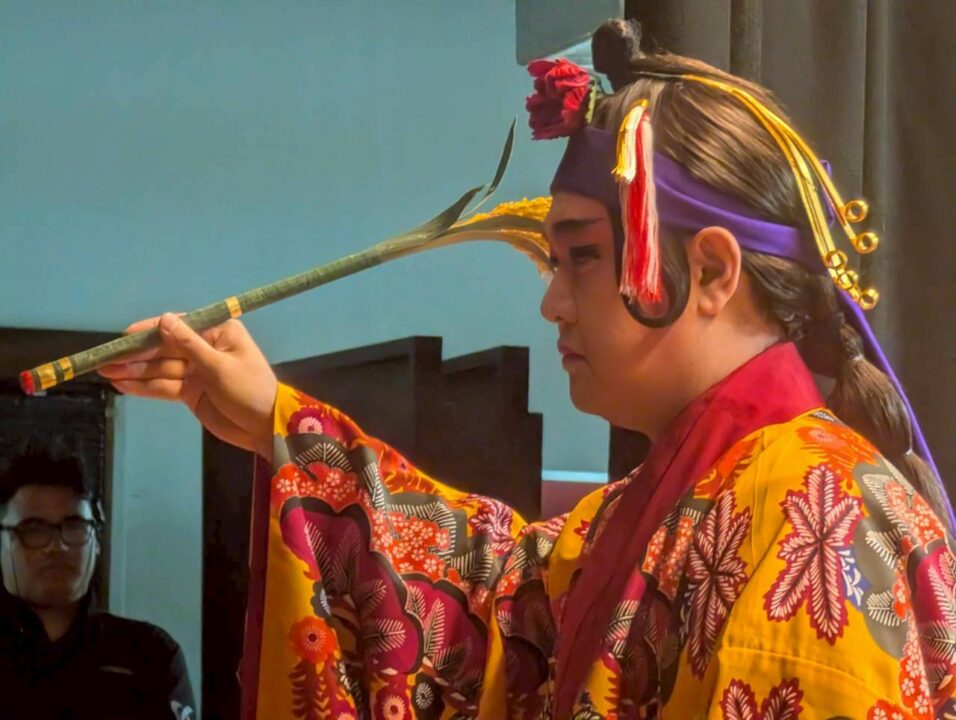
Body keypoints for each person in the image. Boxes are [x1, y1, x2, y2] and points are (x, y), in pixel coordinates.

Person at [101, 19, 956, 719]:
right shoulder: (661, 501)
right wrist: (278, 423)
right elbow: (501, 602)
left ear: (711, 271)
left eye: (581, 258)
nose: (551, 303)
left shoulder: (824, 518)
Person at [0, 449, 196, 720]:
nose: (57, 546)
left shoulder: (150, 655)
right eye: (34, 529)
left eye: (74, 526)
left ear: (97, 540)